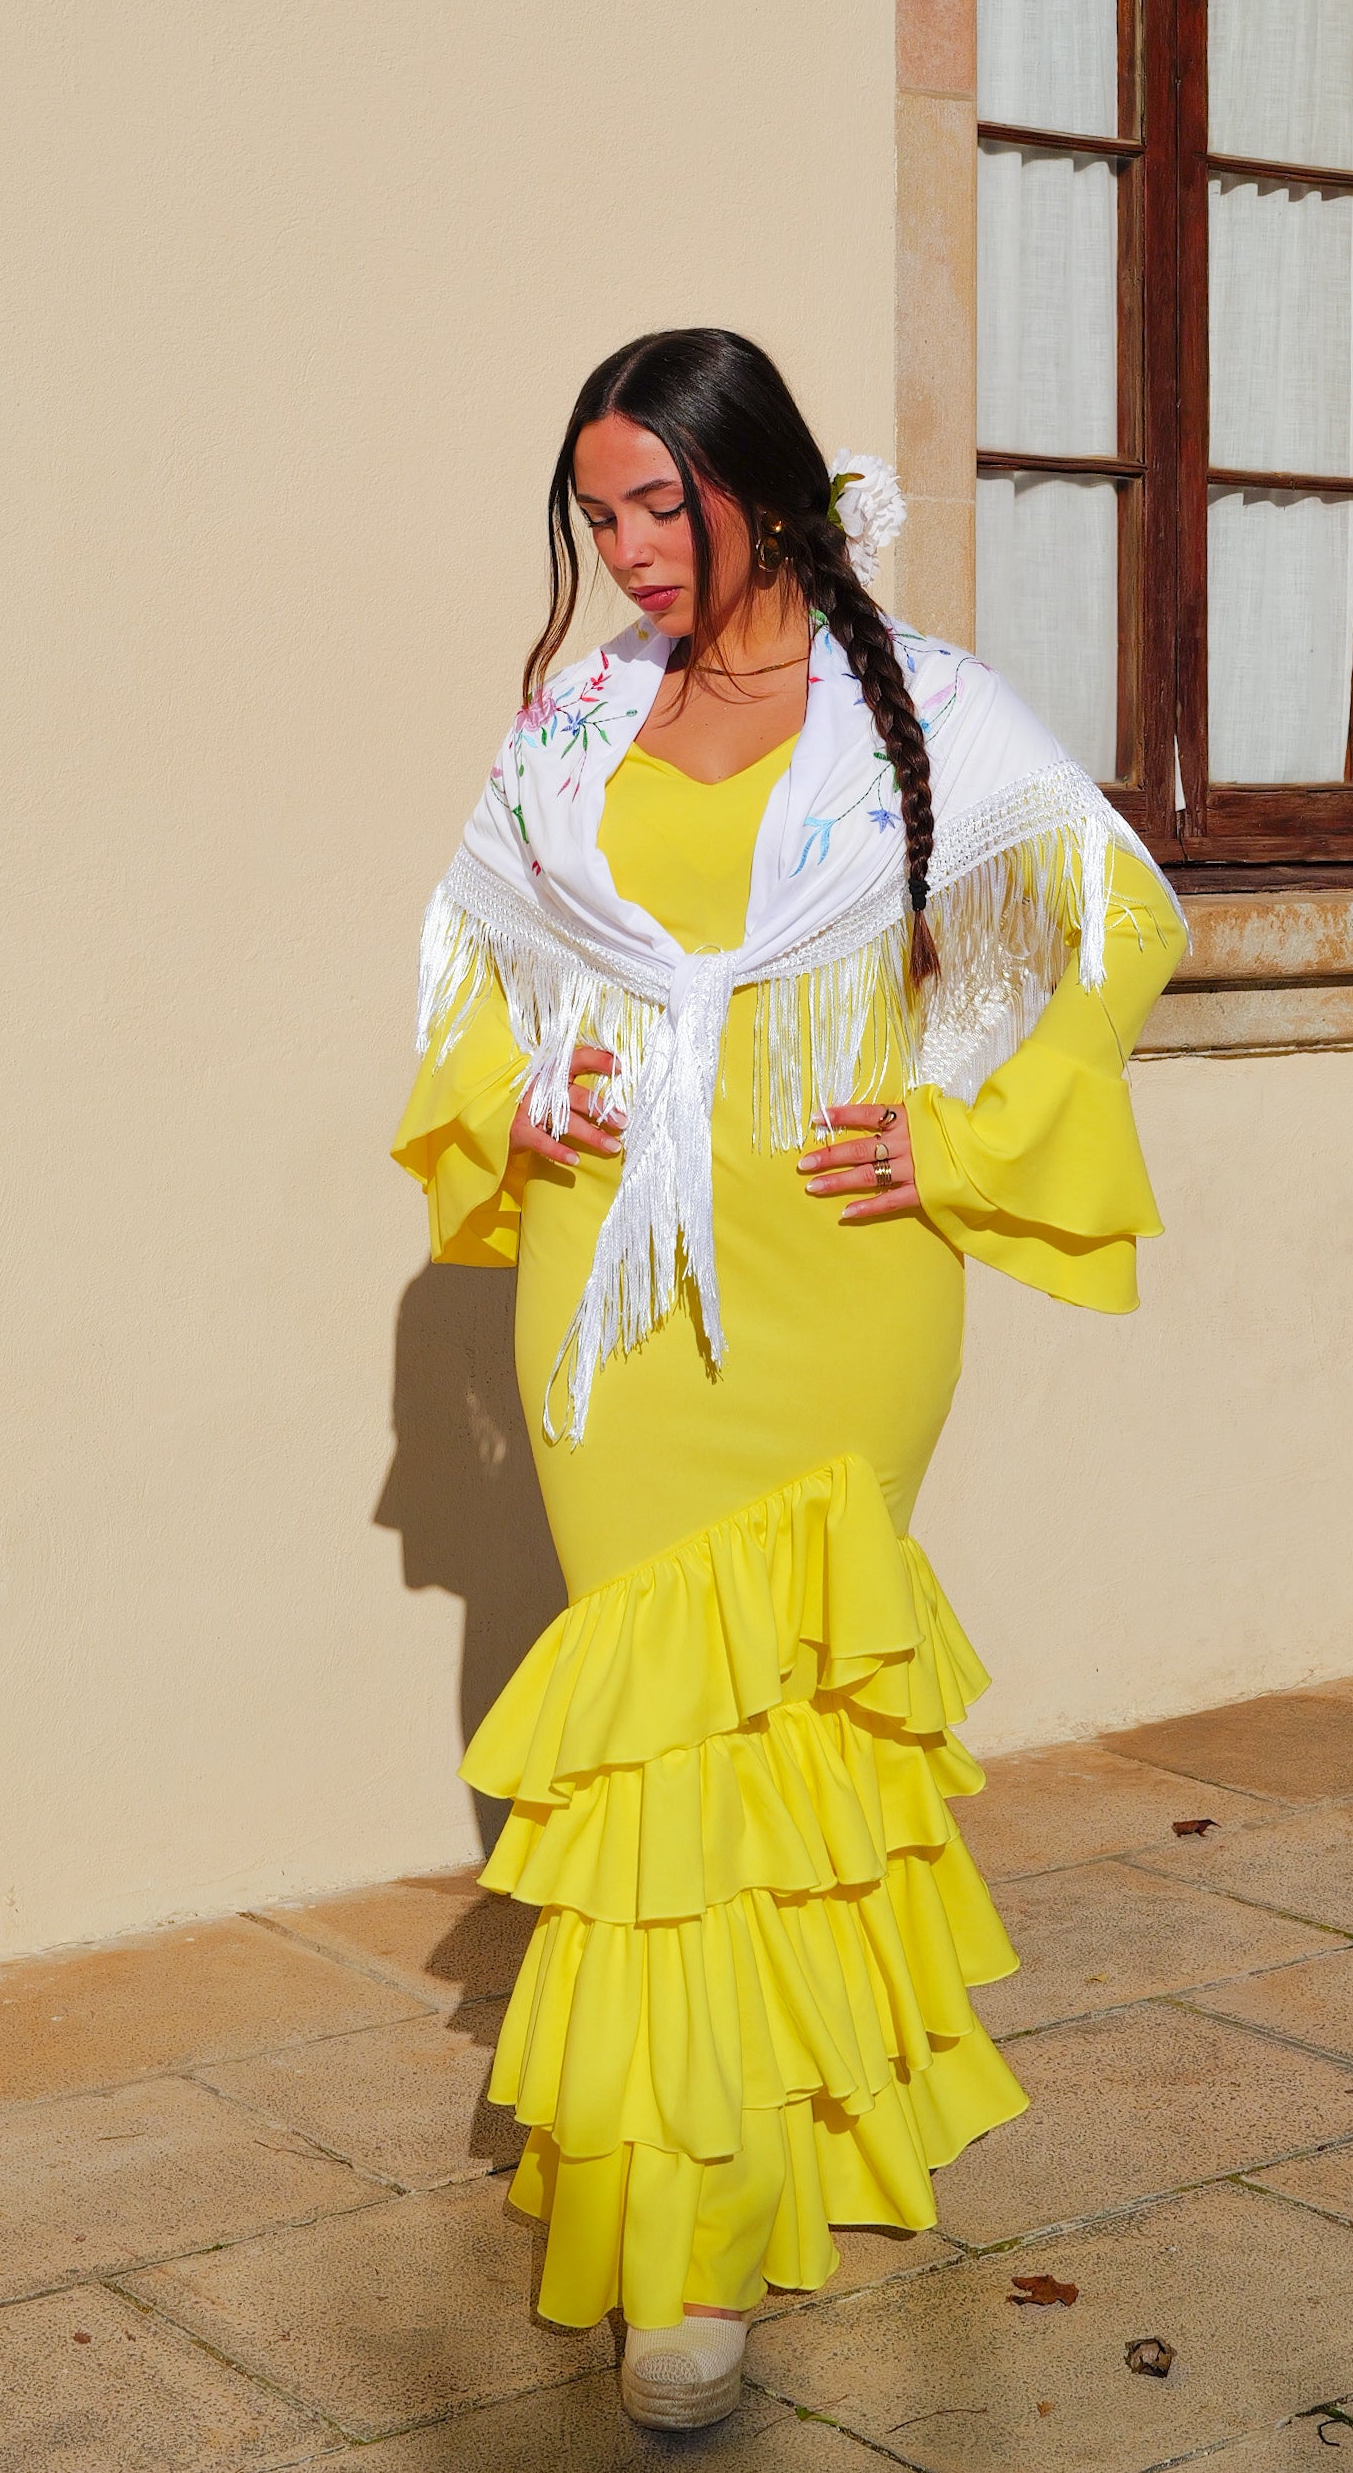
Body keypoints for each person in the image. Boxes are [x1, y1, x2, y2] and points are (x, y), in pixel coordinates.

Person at [392, 329, 1184, 2429]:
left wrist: (971, 1131)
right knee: (655, 1754)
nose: (635, 547)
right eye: (601, 510)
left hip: (841, 1287)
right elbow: (471, 969)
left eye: (666, 500)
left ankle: (722, 2220)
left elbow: (1121, 920)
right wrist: (519, 1111)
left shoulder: (917, 703)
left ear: (764, 485)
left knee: (776, 1749)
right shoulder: (572, 722)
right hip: (610, 1309)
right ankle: (677, 2231)